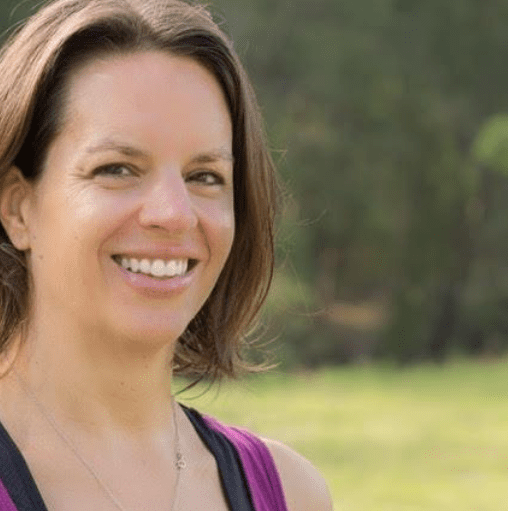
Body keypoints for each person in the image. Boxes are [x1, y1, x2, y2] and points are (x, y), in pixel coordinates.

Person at [0, 0, 333, 510]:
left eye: (205, 177)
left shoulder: (290, 493)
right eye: (117, 168)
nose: (175, 214)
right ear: (18, 208)